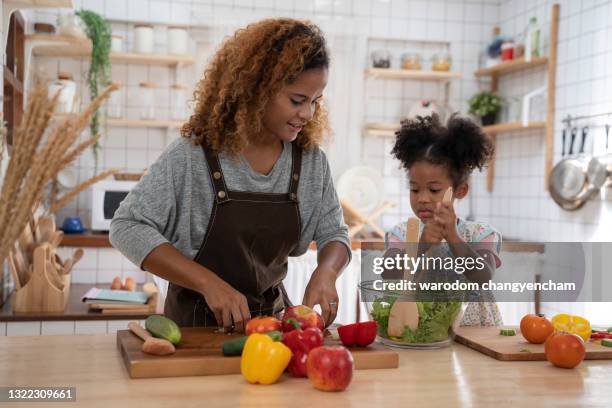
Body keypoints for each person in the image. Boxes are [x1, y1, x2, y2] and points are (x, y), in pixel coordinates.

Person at [109, 18, 351, 332]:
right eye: (297, 100)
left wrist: (327, 272)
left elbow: (335, 233)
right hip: (194, 330)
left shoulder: (310, 162)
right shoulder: (192, 155)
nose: (307, 114)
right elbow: (127, 226)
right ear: (256, 91)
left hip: (271, 328)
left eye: (315, 102)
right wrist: (207, 283)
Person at [385, 114, 503, 326]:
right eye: (414, 189)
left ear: (460, 190)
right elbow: (388, 271)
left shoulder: (481, 234)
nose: (422, 198)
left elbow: (483, 276)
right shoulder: (402, 234)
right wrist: (421, 245)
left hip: (476, 335)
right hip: (423, 332)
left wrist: (452, 236)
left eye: (434, 189)